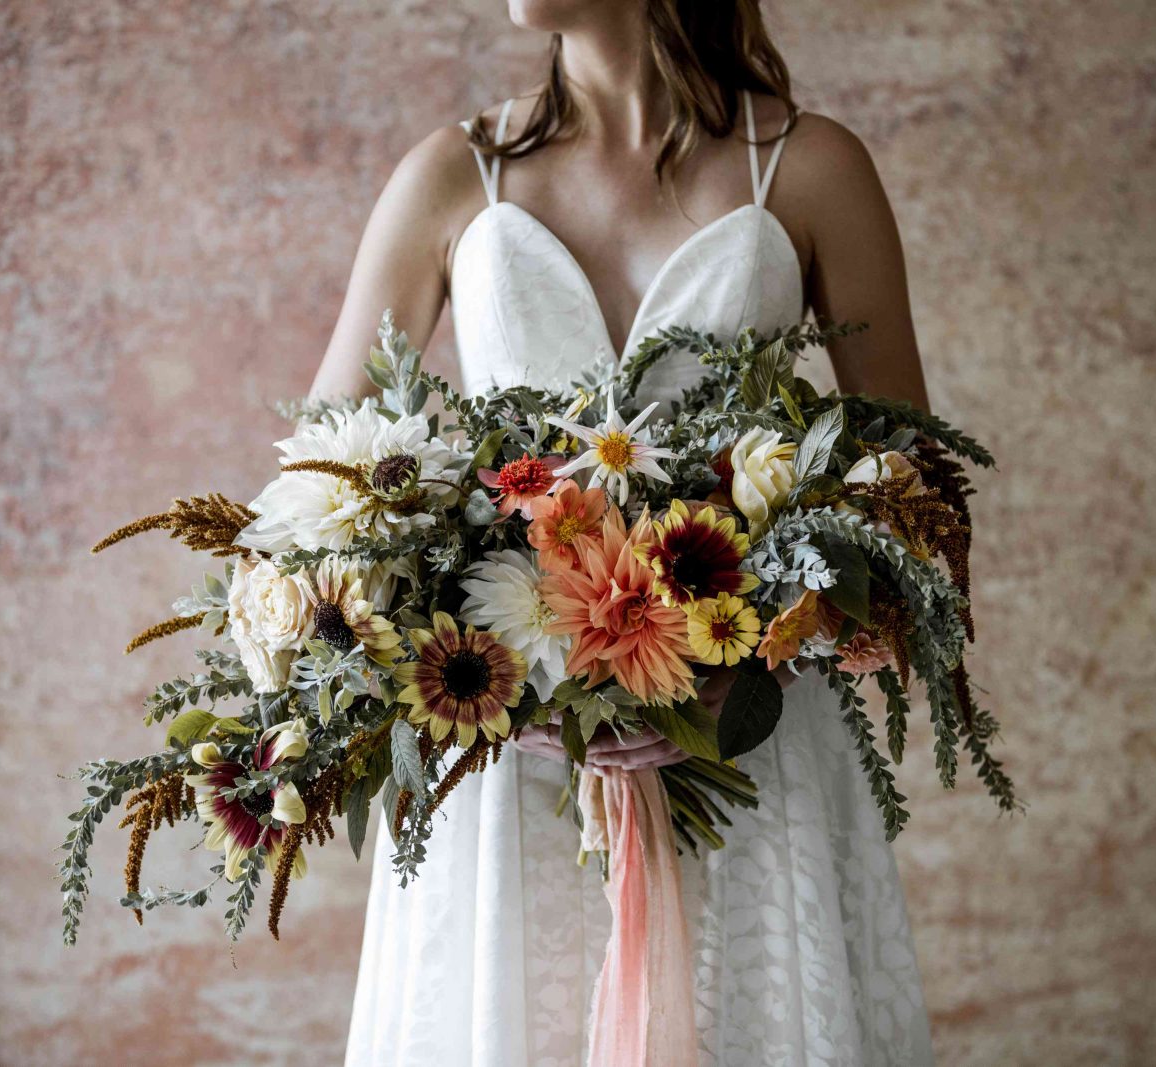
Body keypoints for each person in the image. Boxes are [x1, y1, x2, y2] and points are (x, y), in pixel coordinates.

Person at [316, 3, 935, 1064]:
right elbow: (319, 485)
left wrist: (750, 654)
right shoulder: (457, 173)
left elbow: (910, 496)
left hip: (752, 753)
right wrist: (476, 657)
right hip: (503, 762)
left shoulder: (806, 166)